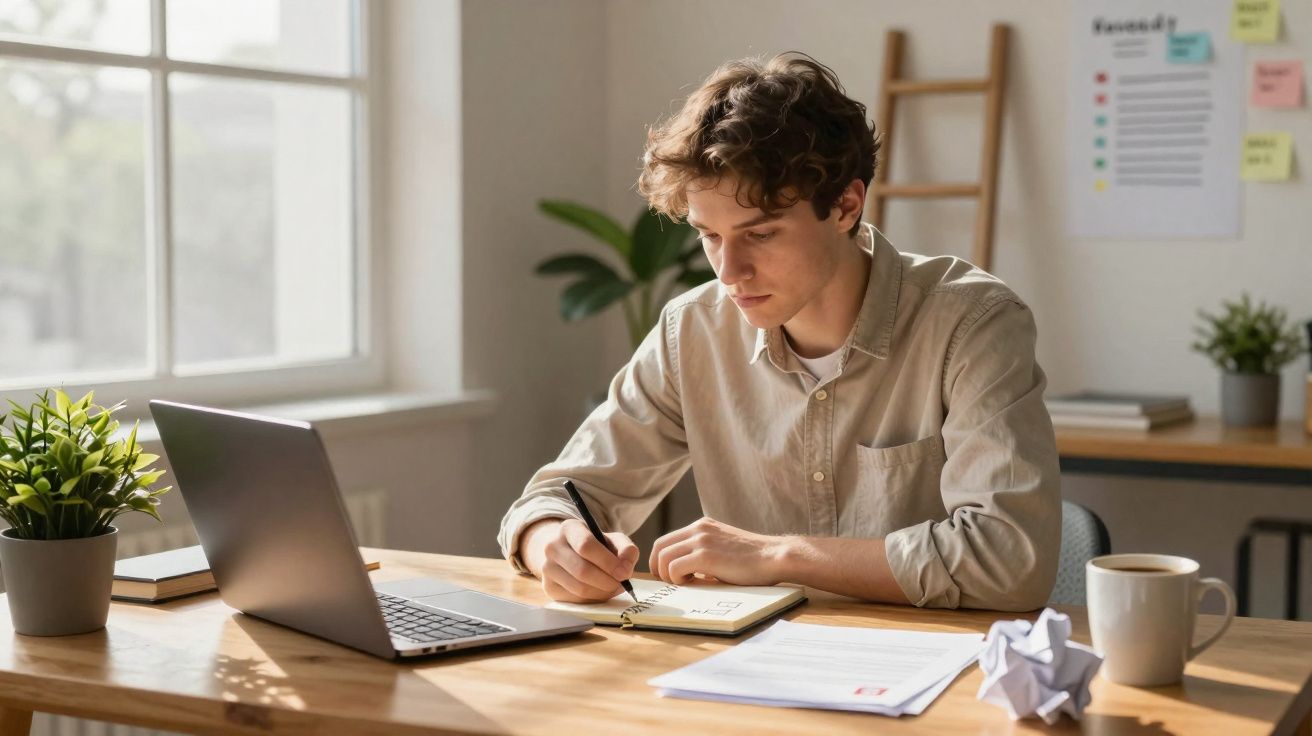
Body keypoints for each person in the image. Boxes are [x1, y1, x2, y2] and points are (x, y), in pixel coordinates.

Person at [498, 52, 1060, 611]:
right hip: (743, 668)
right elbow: (554, 498)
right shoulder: (691, 330)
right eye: (709, 235)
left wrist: (780, 556)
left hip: (927, 671)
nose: (728, 271)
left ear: (844, 206)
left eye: (760, 234)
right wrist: (552, 541)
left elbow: (1010, 559)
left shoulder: (973, 323)